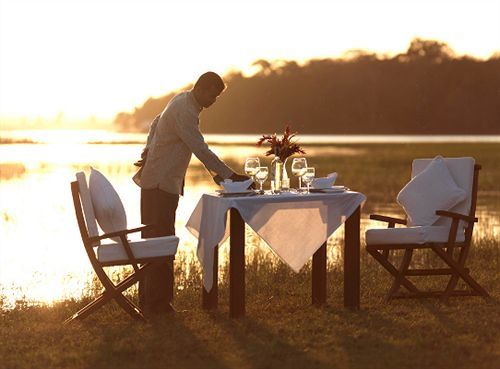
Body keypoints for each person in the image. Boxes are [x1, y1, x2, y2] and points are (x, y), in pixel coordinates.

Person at [132, 71, 250, 315]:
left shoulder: (183, 101)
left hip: (160, 182)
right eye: (214, 95)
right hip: (159, 185)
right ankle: (157, 304)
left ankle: (151, 301)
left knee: (155, 241)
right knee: (160, 242)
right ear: (203, 88)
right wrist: (228, 175)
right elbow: (199, 146)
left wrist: (148, 149)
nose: (215, 100)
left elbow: (156, 121)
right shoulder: (186, 110)